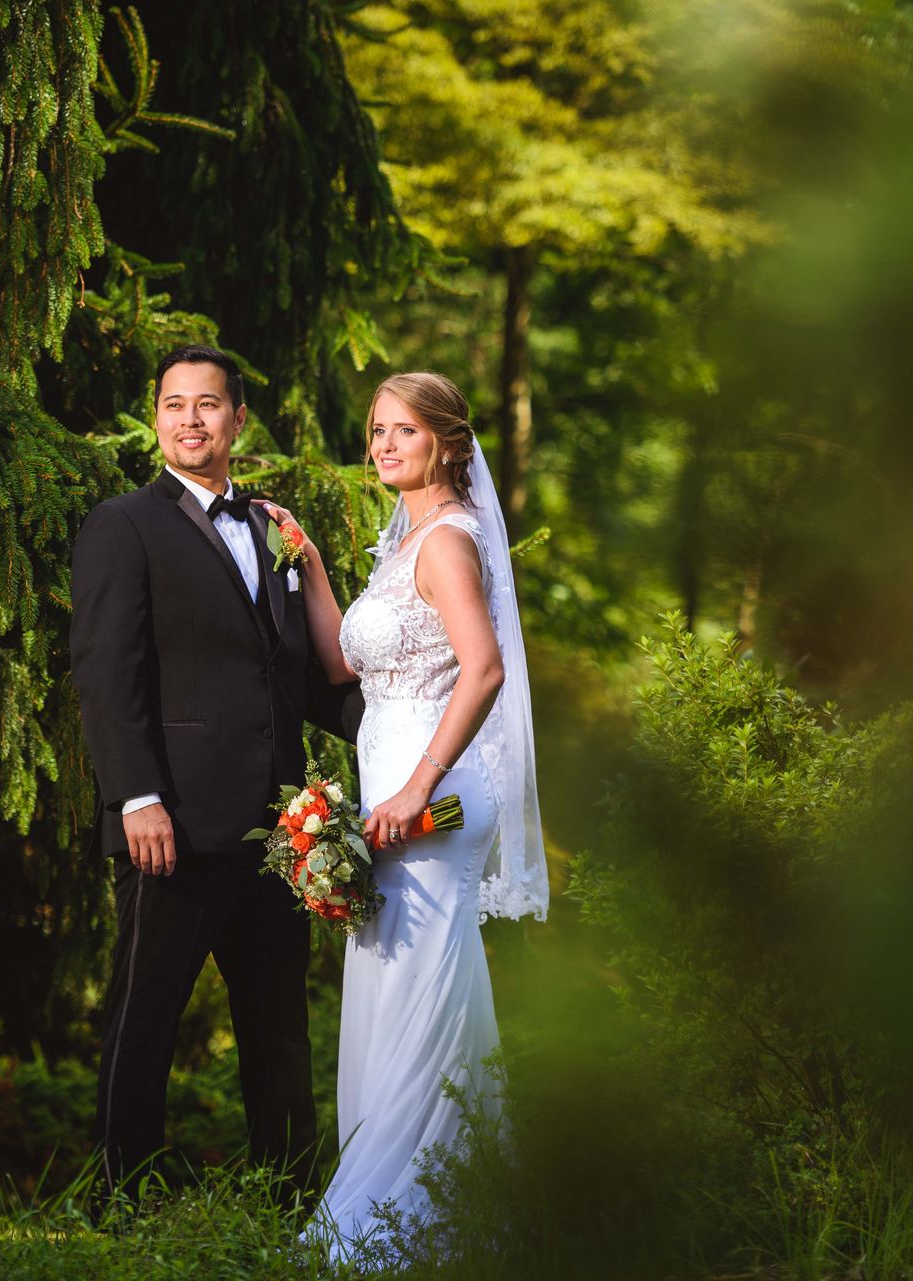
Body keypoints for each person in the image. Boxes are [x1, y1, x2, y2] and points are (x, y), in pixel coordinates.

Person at [68, 344, 364, 1203]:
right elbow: (105, 670)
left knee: (279, 1031)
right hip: (173, 826)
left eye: (208, 405)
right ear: (157, 418)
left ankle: (294, 1204)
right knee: (143, 1021)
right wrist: (137, 796)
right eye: (173, 404)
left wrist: (406, 739)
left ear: (238, 420)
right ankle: (121, 1206)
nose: (190, 419)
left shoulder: (274, 529)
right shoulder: (122, 524)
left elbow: (295, 679)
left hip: (277, 832)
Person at [265, 371, 549, 1260]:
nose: (384, 444)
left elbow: (485, 667)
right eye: (377, 429)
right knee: (397, 988)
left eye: (405, 431)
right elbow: (347, 667)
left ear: (448, 444)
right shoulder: (405, 541)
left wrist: (419, 787)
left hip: (443, 798)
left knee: (419, 987)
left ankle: (402, 1221)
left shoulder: (450, 542)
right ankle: (437, 1204)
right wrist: (311, 563)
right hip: (392, 806)